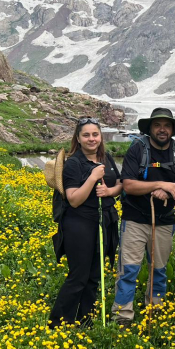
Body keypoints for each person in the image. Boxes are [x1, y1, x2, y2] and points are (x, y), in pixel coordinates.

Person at [111, 108, 175, 326]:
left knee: (158, 269)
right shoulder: (137, 150)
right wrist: (159, 184)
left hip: (164, 220)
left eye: (167, 125)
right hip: (135, 219)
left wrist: (171, 191)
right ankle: (122, 317)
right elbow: (128, 185)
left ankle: (155, 313)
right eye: (157, 125)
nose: (162, 129)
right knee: (128, 269)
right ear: (150, 128)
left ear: (172, 129)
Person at [49, 118, 122, 328]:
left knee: (93, 275)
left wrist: (109, 191)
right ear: (78, 139)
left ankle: (84, 319)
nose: (92, 139)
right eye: (86, 135)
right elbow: (73, 199)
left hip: (103, 222)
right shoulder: (73, 163)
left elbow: (119, 184)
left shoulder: (106, 158)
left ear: (100, 137)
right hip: (79, 224)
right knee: (79, 276)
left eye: (95, 135)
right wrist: (92, 178)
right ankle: (58, 322)